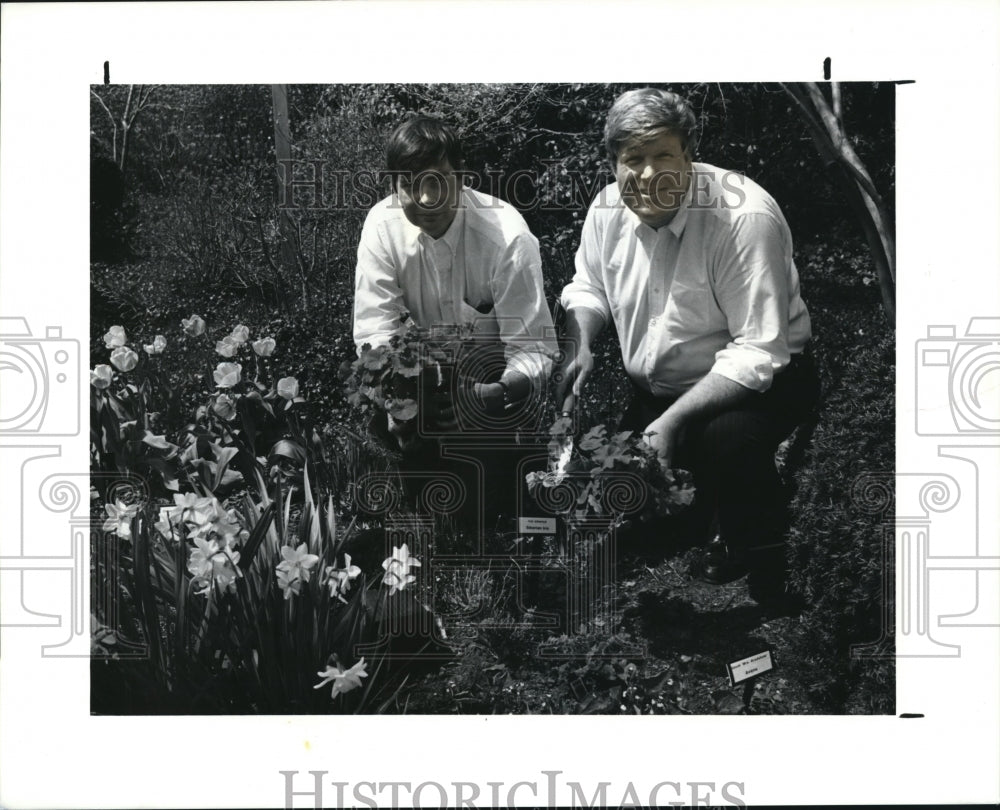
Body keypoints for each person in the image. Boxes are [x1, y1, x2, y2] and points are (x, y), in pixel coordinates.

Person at [554, 88, 819, 606]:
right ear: (614, 162)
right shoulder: (608, 207)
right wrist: (580, 342)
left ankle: (769, 567)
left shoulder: (743, 218)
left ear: (689, 153)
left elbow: (757, 351)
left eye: (663, 155)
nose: (648, 174)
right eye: (633, 159)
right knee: (614, 481)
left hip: (761, 382)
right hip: (661, 387)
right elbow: (588, 288)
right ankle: (700, 519)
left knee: (727, 441)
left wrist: (671, 423)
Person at [353, 114, 556, 526]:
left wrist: (485, 397)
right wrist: (394, 399)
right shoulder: (381, 226)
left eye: (438, 180)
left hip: (494, 390)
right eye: (410, 183)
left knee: (481, 512)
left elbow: (535, 350)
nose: (426, 198)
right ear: (394, 186)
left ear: (462, 178)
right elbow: (376, 329)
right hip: (422, 385)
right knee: (389, 483)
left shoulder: (507, 237)